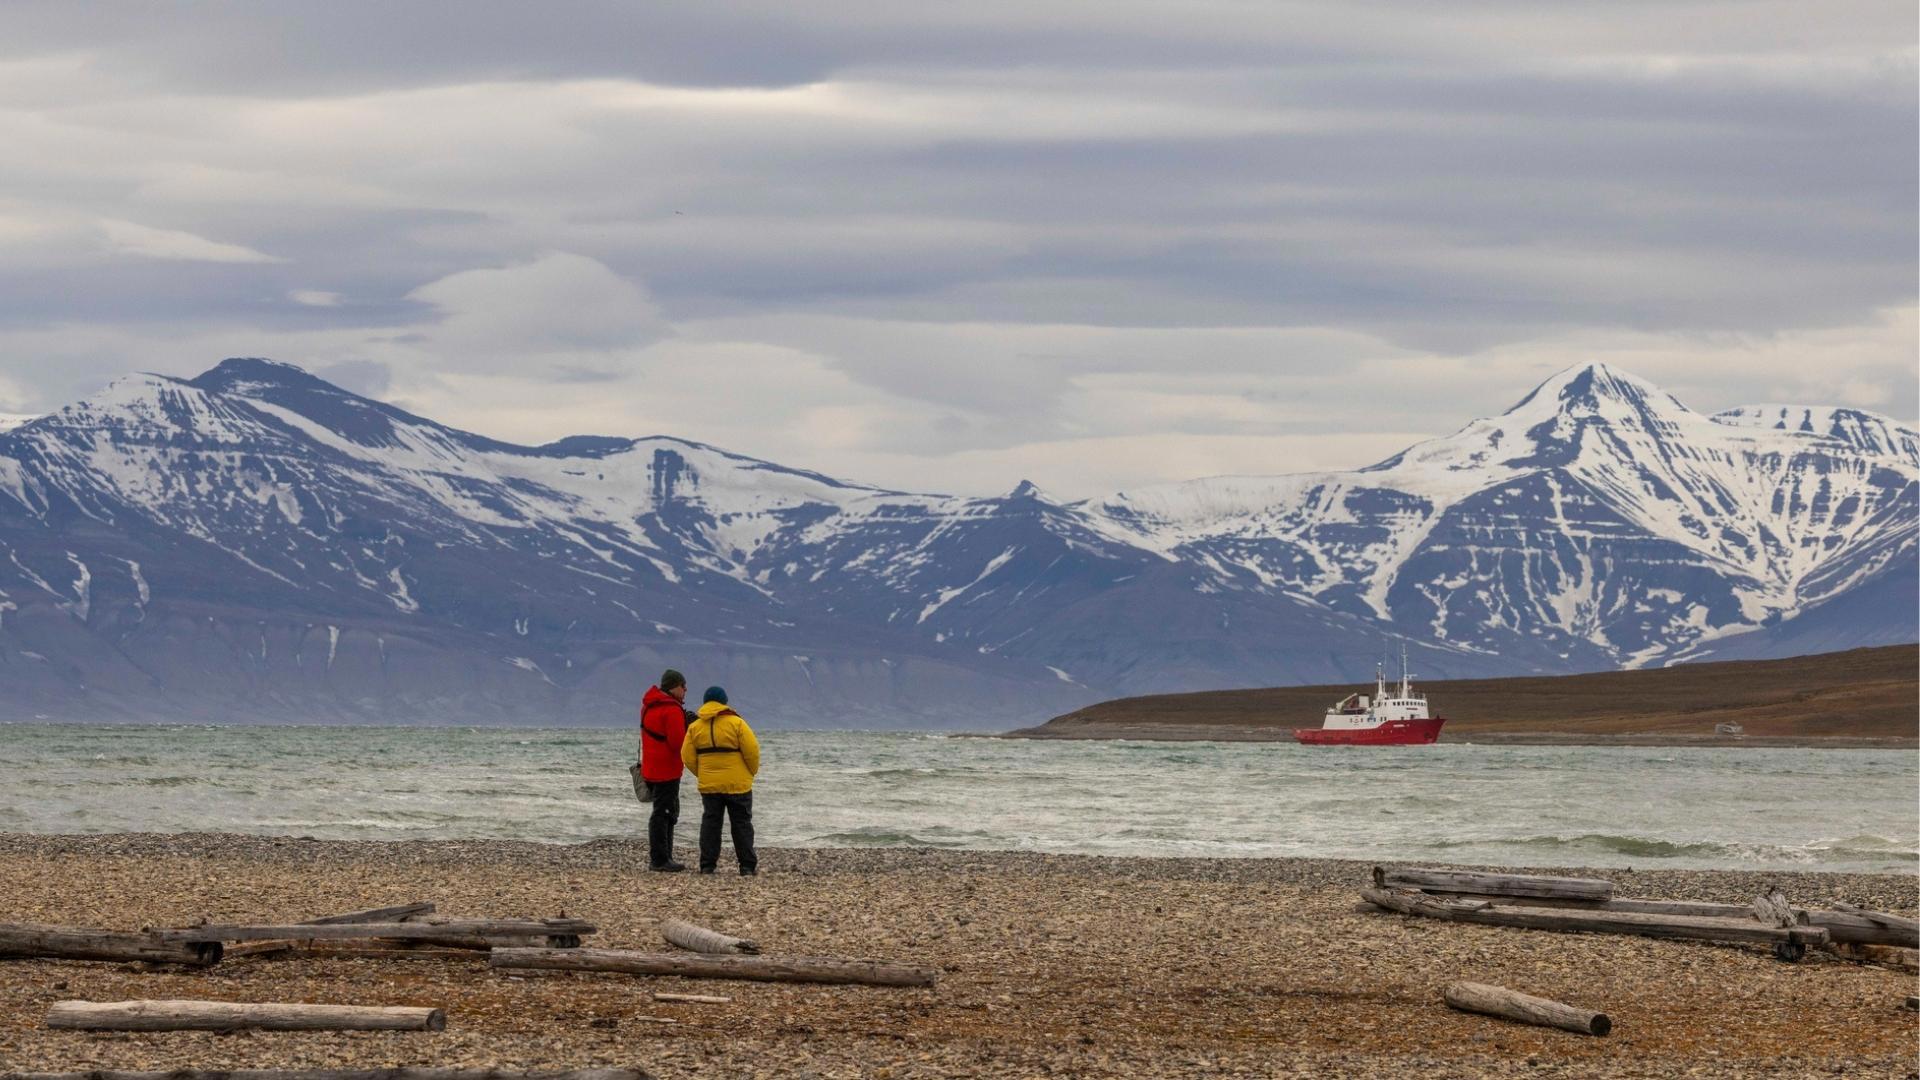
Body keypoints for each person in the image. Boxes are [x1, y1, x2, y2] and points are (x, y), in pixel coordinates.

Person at [679, 685, 760, 876]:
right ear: (724, 702)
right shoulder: (737, 723)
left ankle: (707, 865)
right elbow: (752, 751)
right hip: (738, 784)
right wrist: (751, 772)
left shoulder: (695, 727)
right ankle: (747, 866)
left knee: (711, 824)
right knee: (741, 823)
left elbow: (687, 756)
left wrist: (702, 773)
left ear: (706, 703)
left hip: (710, 785)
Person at [638, 668, 693, 872]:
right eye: (682, 685)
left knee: (661, 811)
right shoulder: (671, 709)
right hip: (667, 770)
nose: (685, 689)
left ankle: (664, 855)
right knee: (664, 812)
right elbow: (678, 743)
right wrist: (687, 726)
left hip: (651, 767)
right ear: (673, 686)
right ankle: (660, 859)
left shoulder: (648, 706)